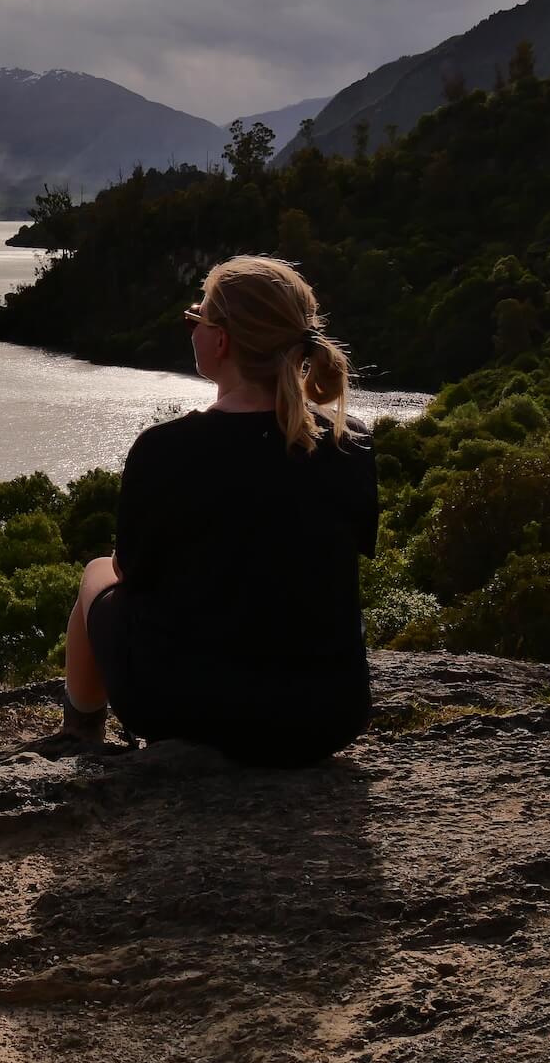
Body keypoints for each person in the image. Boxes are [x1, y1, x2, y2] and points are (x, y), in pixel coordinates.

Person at [59, 255, 377, 766]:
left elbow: (130, 572)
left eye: (197, 317)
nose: (192, 329)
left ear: (221, 340)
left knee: (98, 571)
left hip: (185, 709)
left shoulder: (165, 449)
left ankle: (80, 733)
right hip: (328, 712)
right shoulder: (350, 441)